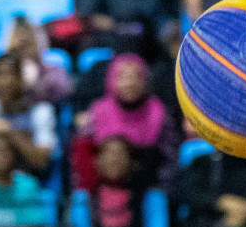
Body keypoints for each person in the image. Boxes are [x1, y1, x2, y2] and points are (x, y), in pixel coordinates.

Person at [72, 53, 179, 190]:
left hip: (147, 190)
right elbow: (83, 161)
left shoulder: (158, 112)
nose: (130, 83)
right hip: (102, 192)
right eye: (123, 77)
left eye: (136, 77)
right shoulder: (98, 112)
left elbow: (170, 158)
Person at [0, 52, 57, 174]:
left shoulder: (41, 111)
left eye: (12, 74)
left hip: (31, 179)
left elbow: (42, 160)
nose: (7, 82)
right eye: (0, 75)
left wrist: (9, 132)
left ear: (22, 78)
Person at [0, 17, 72, 105]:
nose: (22, 38)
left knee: (43, 112)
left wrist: (34, 84)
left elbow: (62, 90)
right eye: (16, 34)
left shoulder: (50, 70)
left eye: (28, 34)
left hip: (32, 111)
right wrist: (5, 80)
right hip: (1, 111)